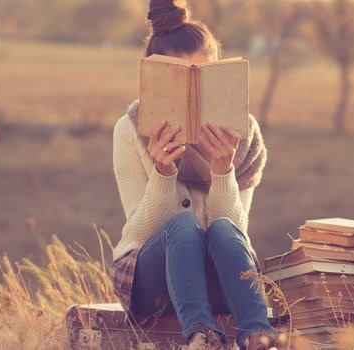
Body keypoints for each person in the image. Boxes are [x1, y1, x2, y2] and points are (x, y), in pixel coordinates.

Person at [110, 1, 277, 349]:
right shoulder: (130, 130)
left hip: (219, 276)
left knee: (222, 229)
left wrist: (222, 170)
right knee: (183, 225)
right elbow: (141, 233)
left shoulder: (244, 135)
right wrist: (163, 173)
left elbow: (234, 232)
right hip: (153, 279)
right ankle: (202, 336)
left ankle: (258, 335)